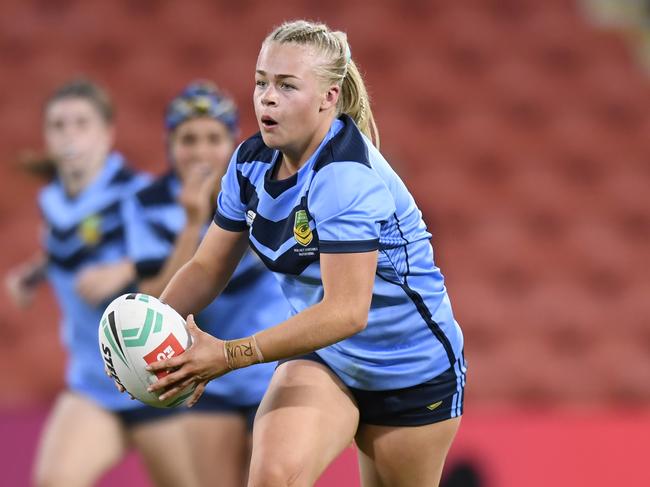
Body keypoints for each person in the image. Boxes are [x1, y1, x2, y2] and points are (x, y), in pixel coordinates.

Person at [145, 20, 466, 487]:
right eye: (261, 82)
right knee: (274, 476)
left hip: (410, 370)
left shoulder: (346, 177)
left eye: (286, 85)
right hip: (327, 356)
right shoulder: (249, 162)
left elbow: (346, 312)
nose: (266, 98)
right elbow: (207, 266)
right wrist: (151, 339)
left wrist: (229, 355)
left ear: (328, 97)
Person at [5, 78, 201, 487]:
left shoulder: (140, 196)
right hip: (95, 383)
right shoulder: (54, 201)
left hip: (155, 379)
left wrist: (128, 269)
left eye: (81, 123)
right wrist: (35, 271)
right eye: (59, 126)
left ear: (107, 134)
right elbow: (72, 244)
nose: (69, 134)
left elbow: (195, 255)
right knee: (54, 481)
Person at [123, 81, 289, 487]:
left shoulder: (266, 189)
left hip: (273, 365)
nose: (200, 152)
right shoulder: (147, 203)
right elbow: (153, 303)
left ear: (232, 144)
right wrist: (192, 221)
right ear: (170, 144)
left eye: (213, 138)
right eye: (188, 139)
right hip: (206, 373)